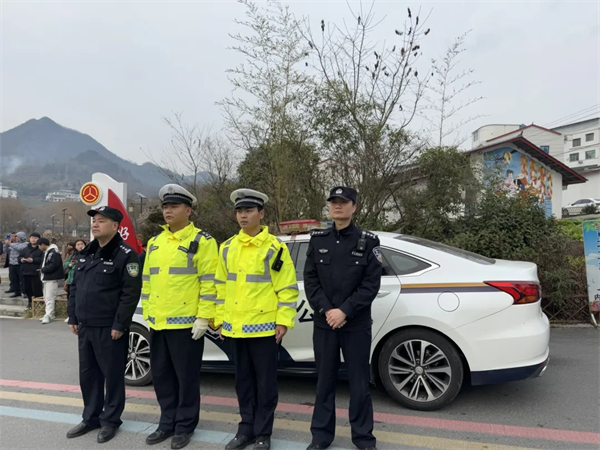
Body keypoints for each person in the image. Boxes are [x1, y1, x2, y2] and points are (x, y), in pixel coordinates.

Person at [215, 189, 299, 450]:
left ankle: (263, 433)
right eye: (239, 211)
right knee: (243, 383)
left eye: (249, 211)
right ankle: (245, 430)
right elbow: (220, 287)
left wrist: (283, 321)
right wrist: (220, 321)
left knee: (265, 385)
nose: (243, 216)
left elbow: (287, 288)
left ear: (261, 214)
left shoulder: (274, 247)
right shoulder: (227, 247)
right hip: (235, 329)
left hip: (264, 329)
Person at [304, 187, 382, 450]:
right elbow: (310, 280)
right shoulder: (318, 240)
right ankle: (320, 437)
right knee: (324, 382)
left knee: (359, 383)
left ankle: (363, 438)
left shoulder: (368, 242)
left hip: (355, 324)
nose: (337, 206)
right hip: (325, 323)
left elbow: (370, 285)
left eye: (343, 202)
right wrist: (328, 310)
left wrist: (345, 310)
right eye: (333, 202)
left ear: (354, 207)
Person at [142, 184, 218, 450]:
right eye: (165, 206)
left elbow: (209, 282)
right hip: (158, 322)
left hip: (187, 325)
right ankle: (167, 422)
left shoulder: (202, 242)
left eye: (174, 206)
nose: (168, 211)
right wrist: (148, 311)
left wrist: (204, 317)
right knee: (162, 376)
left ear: (188, 210)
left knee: (186, 378)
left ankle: (185, 425)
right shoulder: (155, 243)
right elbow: (148, 281)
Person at [66, 206, 142, 444]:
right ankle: (90, 417)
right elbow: (75, 286)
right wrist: (73, 316)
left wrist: (120, 324)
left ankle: (110, 420)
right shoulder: (87, 253)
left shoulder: (125, 254)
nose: (95, 224)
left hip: (110, 328)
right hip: (85, 325)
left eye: (101, 221)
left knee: (112, 375)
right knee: (88, 375)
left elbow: (130, 293)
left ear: (115, 226)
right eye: (94, 221)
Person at [38, 238, 64, 324]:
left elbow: (54, 265)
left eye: (39, 245)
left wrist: (43, 269)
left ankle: (49, 314)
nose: (39, 248)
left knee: (50, 297)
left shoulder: (54, 252)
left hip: (52, 277)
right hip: (46, 277)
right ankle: (49, 313)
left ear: (43, 245)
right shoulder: (48, 252)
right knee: (46, 297)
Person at [20, 232, 44, 307]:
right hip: (26, 271)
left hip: (35, 272)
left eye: (35, 238)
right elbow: (20, 256)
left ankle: (38, 303)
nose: (33, 239)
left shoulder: (40, 249)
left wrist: (33, 260)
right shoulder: (25, 249)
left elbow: (42, 259)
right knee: (27, 289)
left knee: (36, 289)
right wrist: (21, 259)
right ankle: (30, 302)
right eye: (32, 238)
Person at [6, 232, 28, 299]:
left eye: (17, 237)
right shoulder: (13, 244)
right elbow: (6, 250)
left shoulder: (25, 244)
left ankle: (24, 292)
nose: (16, 238)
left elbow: (19, 248)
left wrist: (10, 244)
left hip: (19, 264)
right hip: (12, 263)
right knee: (14, 279)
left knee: (22, 279)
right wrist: (7, 244)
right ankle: (16, 291)